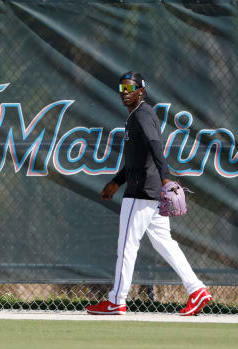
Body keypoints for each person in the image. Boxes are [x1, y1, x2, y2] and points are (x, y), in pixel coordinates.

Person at [85, 72, 212, 316]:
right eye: (122, 88)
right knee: (165, 243)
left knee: (126, 246)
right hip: (149, 190)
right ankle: (197, 290)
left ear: (141, 90)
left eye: (130, 87)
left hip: (142, 191)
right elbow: (137, 158)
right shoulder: (140, 114)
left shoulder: (142, 114)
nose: (125, 92)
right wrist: (116, 181)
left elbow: (155, 145)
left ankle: (116, 300)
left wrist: (166, 177)